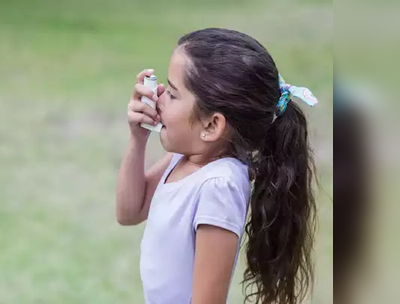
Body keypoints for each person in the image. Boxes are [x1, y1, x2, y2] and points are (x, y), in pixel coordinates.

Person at [116, 28, 318, 304]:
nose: (158, 97)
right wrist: (138, 138)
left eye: (172, 94)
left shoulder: (218, 186)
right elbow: (129, 211)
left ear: (211, 125)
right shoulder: (187, 157)